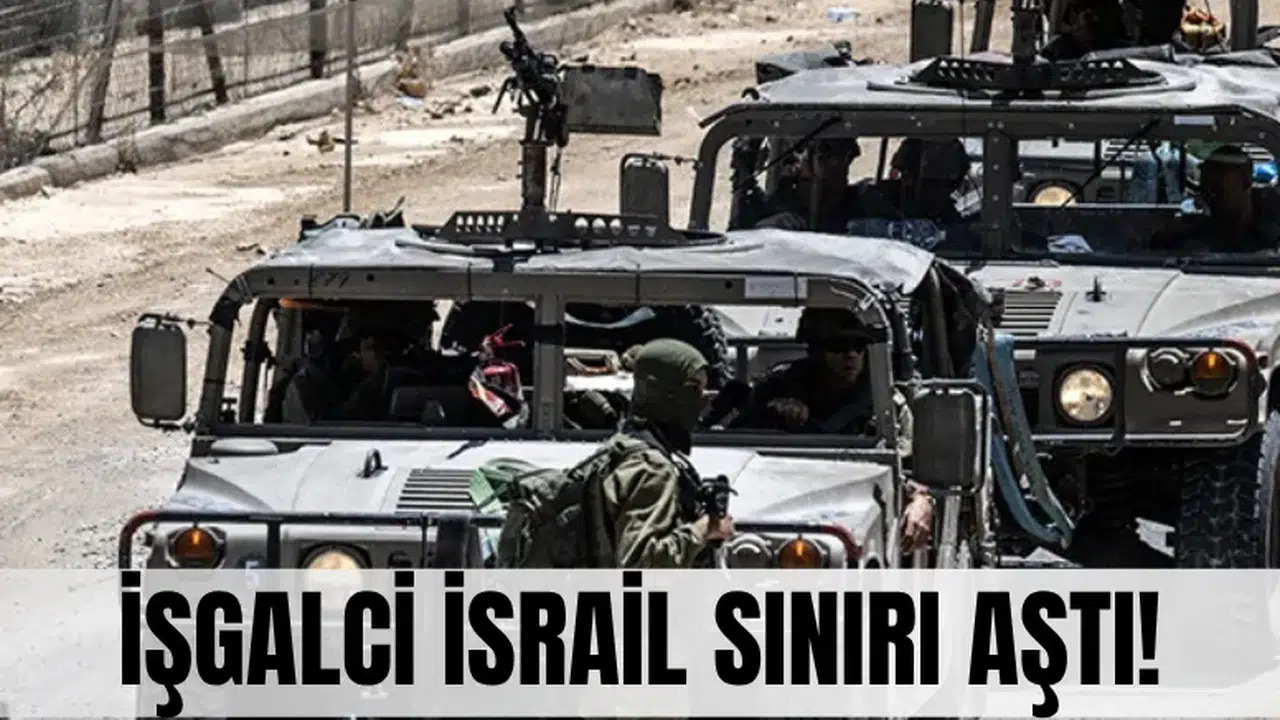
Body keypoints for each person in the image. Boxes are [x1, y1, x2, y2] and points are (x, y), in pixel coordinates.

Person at [730, 307, 934, 552]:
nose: (851, 355)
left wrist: (920, 499)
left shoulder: (884, 403)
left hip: (851, 505)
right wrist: (775, 415)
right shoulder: (777, 388)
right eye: (838, 346)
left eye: (859, 346)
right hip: (777, 499)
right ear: (815, 350)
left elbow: (907, 468)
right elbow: (734, 450)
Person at [584, 339, 735, 568]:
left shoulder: (622, 446)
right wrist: (703, 530)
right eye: (693, 388)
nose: (702, 400)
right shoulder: (651, 468)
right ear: (665, 392)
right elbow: (638, 568)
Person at [1152, 144, 1280, 253]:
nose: (1208, 196)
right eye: (1204, 189)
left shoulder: (1270, 236)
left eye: (1217, 189)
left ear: (1245, 182)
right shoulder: (1193, 231)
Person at [754, 138, 863, 233]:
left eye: (826, 151)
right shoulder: (772, 207)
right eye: (799, 151)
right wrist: (766, 232)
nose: (807, 160)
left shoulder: (862, 206)